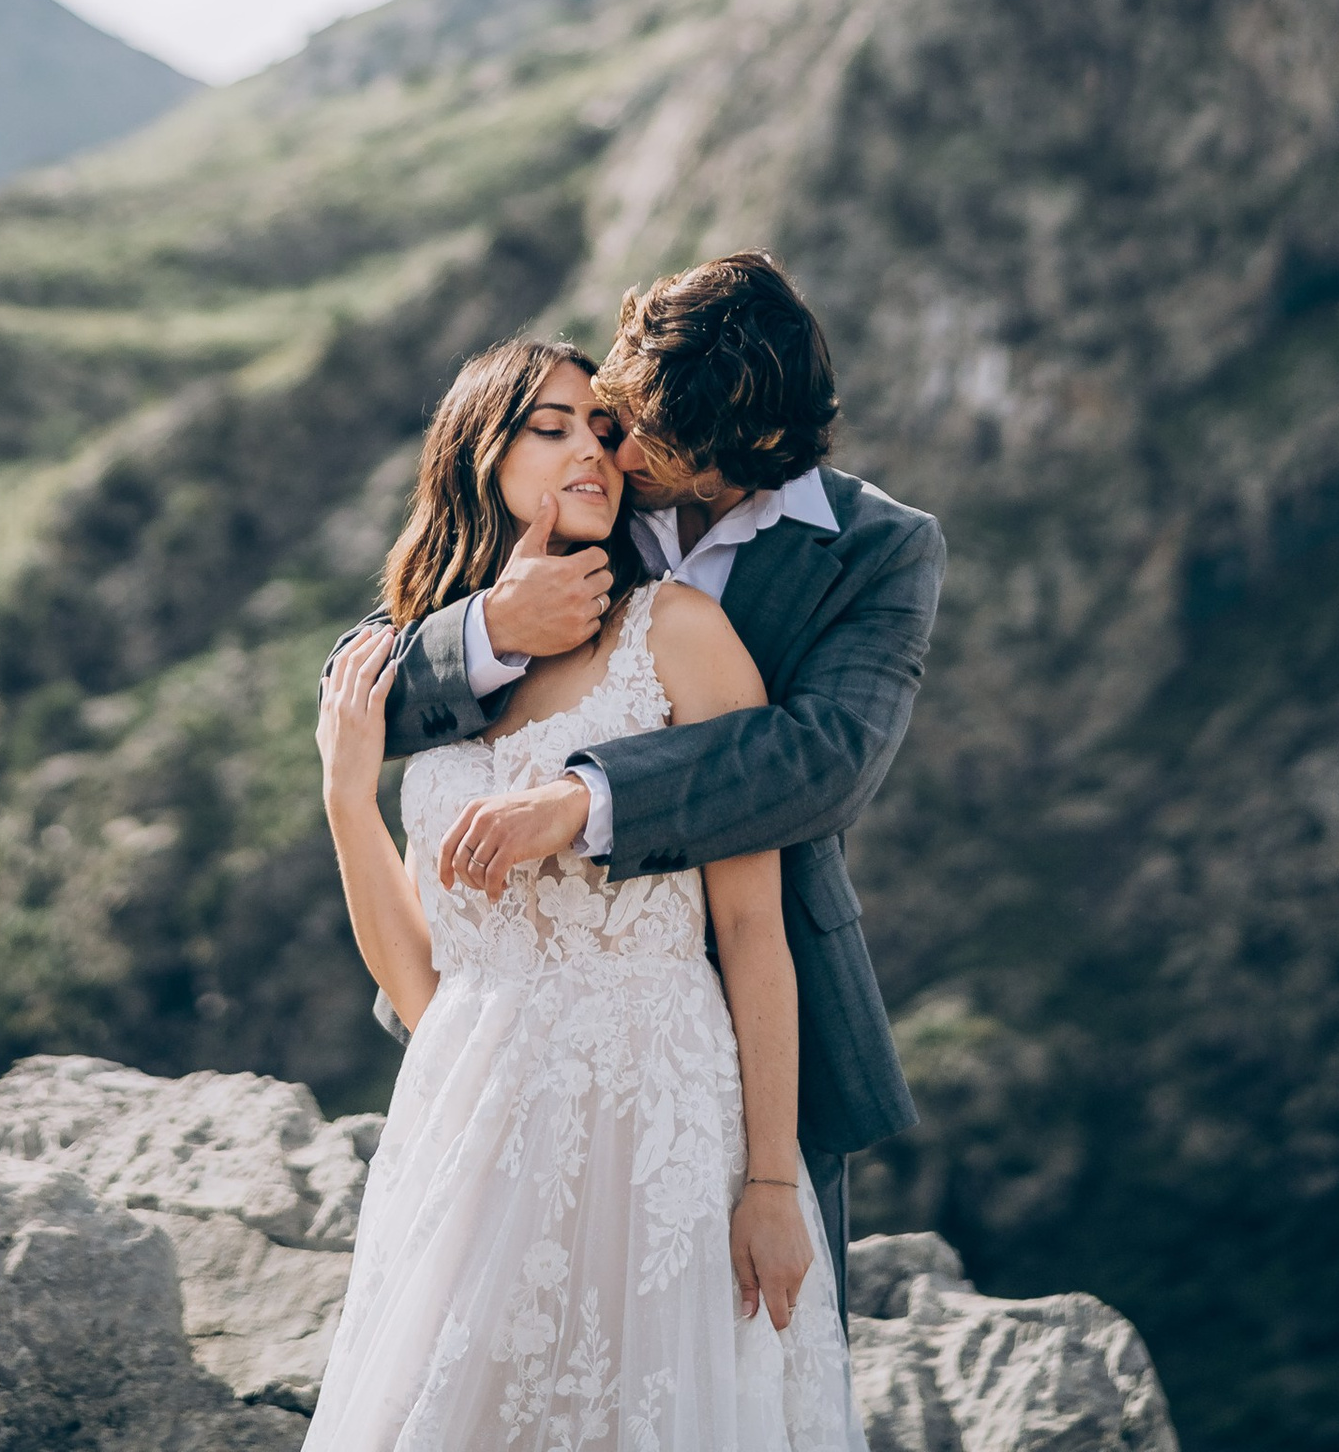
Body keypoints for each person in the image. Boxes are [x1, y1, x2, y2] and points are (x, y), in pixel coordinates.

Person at [346, 253, 945, 1324]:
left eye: (635, 440)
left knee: (734, 1368)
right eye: (602, 417)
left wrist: (586, 801)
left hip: (753, 1032)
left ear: (736, 460)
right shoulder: (588, 483)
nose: (605, 446)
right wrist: (491, 632)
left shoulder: (881, 554)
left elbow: (824, 763)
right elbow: (360, 684)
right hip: (516, 1041)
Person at [306, 332, 864, 1452]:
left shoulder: (682, 636)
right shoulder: (430, 673)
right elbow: (425, 988)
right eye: (550, 428)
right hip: (475, 1121)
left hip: (656, 1119)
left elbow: (755, 929)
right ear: (477, 456)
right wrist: (344, 796)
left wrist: (766, 1181)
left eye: (603, 433)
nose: (593, 454)